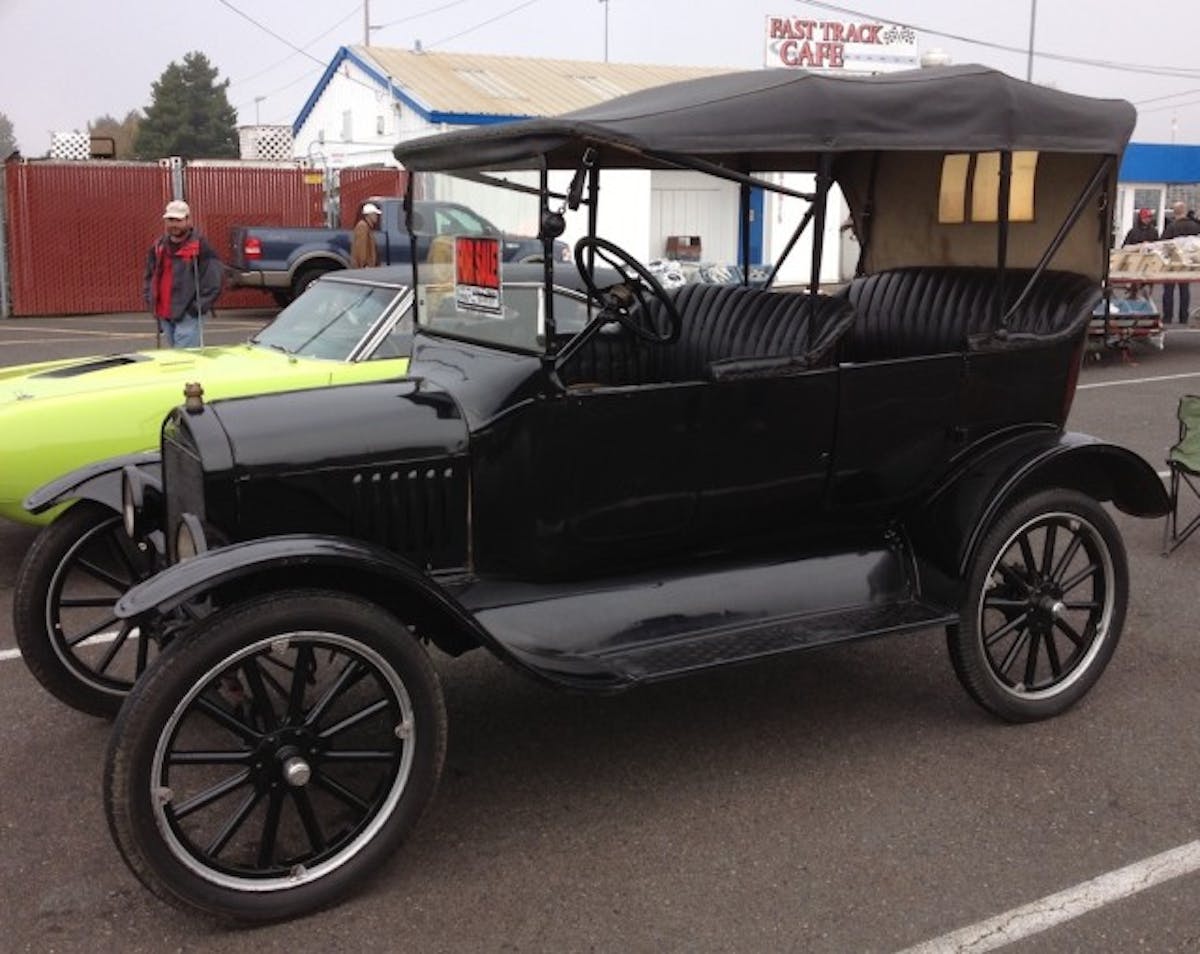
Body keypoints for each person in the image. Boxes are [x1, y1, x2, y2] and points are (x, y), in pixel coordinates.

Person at [143, 200, 223, 348]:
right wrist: (150, 298)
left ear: (188, 220)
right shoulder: (158, 246)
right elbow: (149, 275)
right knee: (177, 358)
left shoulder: (200, 246)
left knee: (185, 359)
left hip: (188, 314)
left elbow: (213, 281)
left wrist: (196, 308)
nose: (174, 224)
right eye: (170, 220)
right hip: (164, 312)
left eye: (178, 220)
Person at [1162, 200, 1200, 325]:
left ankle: (1167, 317)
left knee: (1168, 290)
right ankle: (1183, 317)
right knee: (1185, 290)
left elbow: (1164, 244)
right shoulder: (1195, 226)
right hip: (1188, 263)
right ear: (1185, 211)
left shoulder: (1172, 226)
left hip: (1172, 264)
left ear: (1175, 212)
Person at [350, 201, 382, 268]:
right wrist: (364, 265)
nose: (377, 216)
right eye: (375, 214)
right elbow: (361, 248)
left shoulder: (367, 227)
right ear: (369, 215)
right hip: (365, 267)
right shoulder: (362, 227)